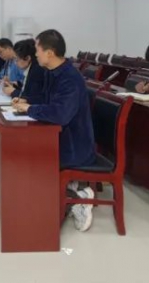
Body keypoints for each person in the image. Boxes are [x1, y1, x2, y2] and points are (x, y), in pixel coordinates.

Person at [11, 29, 96, 231]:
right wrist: (26, 101)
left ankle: (78, 199)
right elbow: (46, 99)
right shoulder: (52, 72)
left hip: (74, 145)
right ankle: (61, 195)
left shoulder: (69, 78)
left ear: (49, 53)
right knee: (21, 153)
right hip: (60, 137)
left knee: (31, 158)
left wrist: (30, 109)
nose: (36, 54)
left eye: (38, 50)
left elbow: (60, 114)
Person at [3, 39, 48, 103]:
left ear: (27, 58)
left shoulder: (37, 71)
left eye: (17, 59)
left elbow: (32, 97)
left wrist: (13, 92)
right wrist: (16, 85)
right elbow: (28, 89)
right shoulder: (32, 67)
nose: (15, 63)